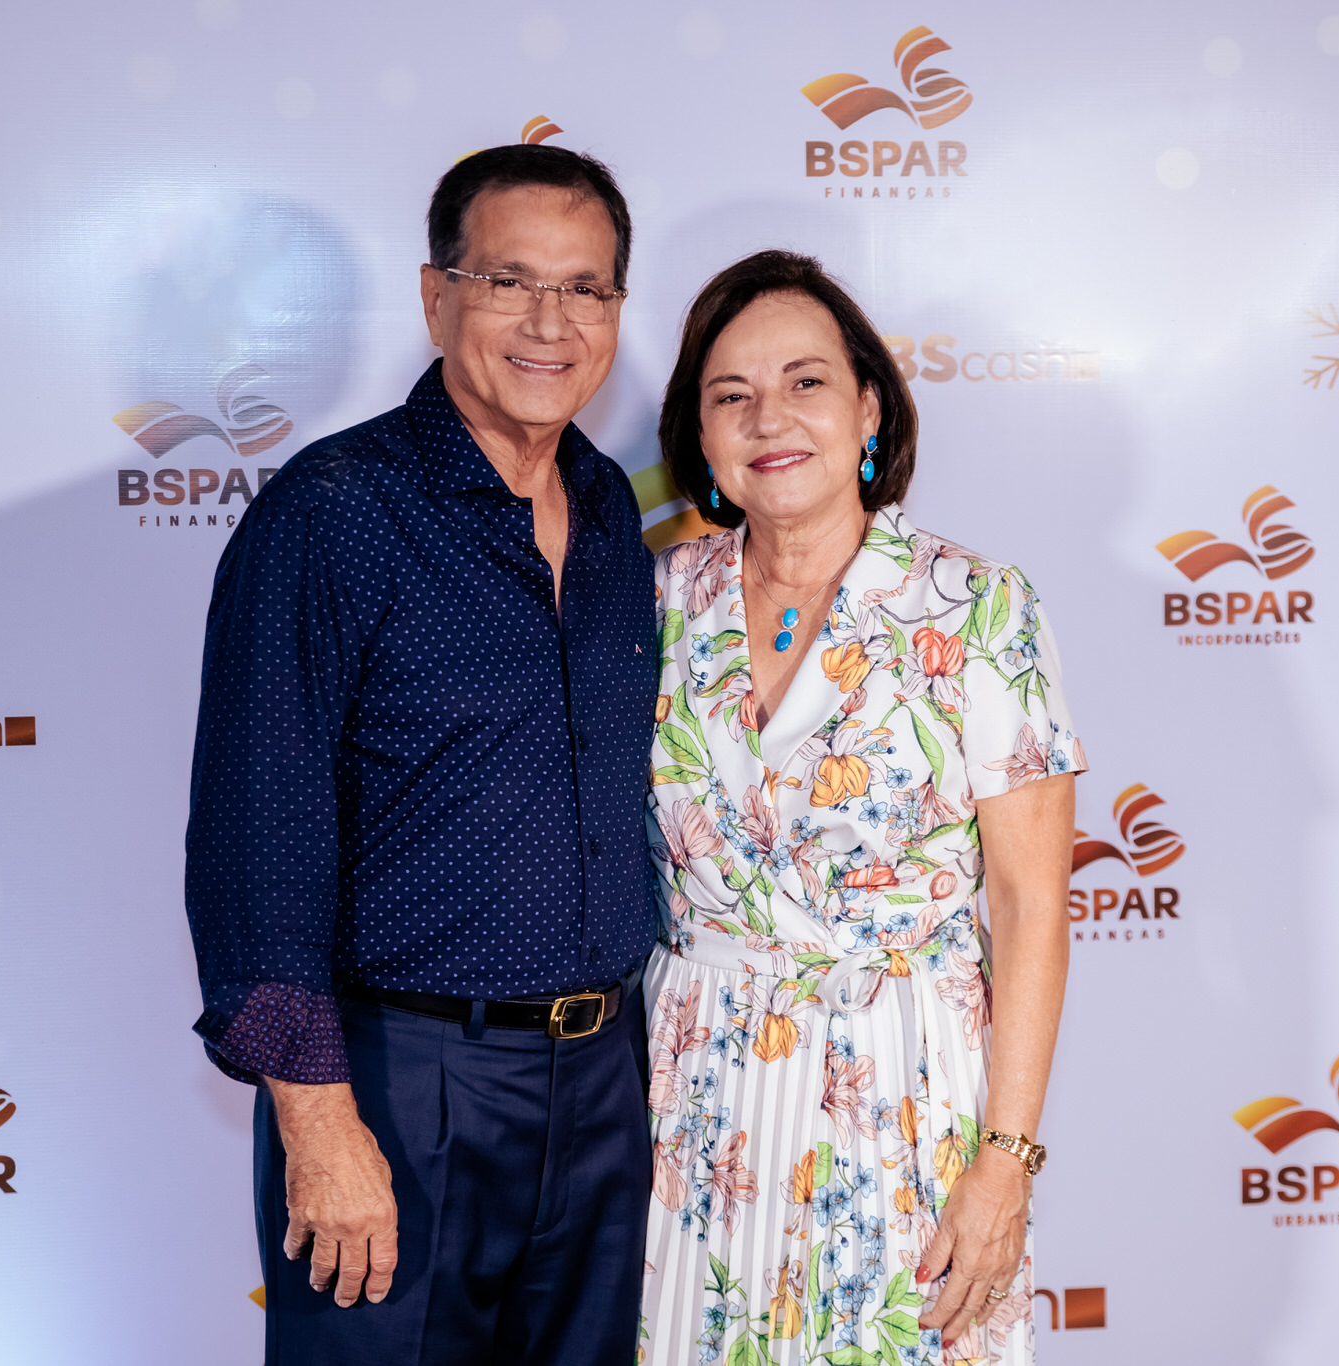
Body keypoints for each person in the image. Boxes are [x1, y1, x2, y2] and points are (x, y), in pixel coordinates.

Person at [183, 144, 657, 1366]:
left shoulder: (610, 509)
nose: (549, 323)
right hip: (398, 1084)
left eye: (584, 288)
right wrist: (319, 1124)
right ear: (437, 297)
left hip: (607, 1085)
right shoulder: (332, 511)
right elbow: (256, 838)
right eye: (509, 282)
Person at [638, 251, 1082, 1365]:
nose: (769, 418)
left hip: (904, 1095)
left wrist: (1006, 1163)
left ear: (869, 406)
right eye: (730, 394)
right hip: (693, 1105)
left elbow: (1032, 907)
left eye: (806, 382)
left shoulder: (976, 607)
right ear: (699, 434)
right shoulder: (654, 602)